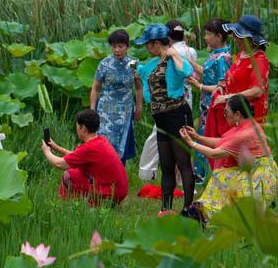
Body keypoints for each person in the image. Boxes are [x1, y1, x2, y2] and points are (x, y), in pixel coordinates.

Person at [180, 95, 278, 221]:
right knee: (222, 176)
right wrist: (198, 137)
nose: (225, 115)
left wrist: (191, 144)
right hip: (258, 171)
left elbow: (214, 153)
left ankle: (204, 214)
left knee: (233, 204)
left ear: (237, 114)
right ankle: (202, 211)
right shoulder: (248, 124)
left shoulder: (244, 134)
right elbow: (222, 142)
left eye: (226, 112)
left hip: (261, 177)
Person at [135, 24, 194, 216]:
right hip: (161, 120)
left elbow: (186, 72)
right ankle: (165, 209)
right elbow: (146, 83)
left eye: (147, 45)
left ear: (155, 44)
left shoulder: (173, 59)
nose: (146, 48)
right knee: (167, 165)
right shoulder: (152, 63)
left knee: (183, 163)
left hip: (177, 115)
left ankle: (188, 209)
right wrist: (137, 70)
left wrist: (174, 54)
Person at [205, 15, 270, 147]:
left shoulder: (260, 60)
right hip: (234, 112)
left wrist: (228, 97)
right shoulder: (241, 55)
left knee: (243, 152)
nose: (234, 39)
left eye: (238, 36)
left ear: (250, 40)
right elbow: (233, 77)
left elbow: (257, 91)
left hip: (248, 114)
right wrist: (221, 86)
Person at [40, 109, 128, 206]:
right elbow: (76, 157)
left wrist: (46, 151)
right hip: (120, 191)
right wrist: (56, 147)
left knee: (69, 175)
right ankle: (88, 203)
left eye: (77, 126)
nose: (76, 129)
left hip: (111, 194)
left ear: (83, 128)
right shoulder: (101, 140)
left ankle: (66, 206)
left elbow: (59, 164)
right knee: (79, 171)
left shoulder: (89, 148)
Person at [186, 18, 232, 179]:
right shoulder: (215, 54)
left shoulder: (223, 59)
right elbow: (207, 74)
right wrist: (189, 62)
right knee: (203, 133)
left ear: (218, 36)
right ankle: (201, 173)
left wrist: (199, 87)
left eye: (208, 34)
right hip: (206, 104)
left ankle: (203, 174)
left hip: (214, 105)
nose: (205, 38)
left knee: (208, 135)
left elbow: (221, 88)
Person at [89, 29, 143, 163]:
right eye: (114, 46)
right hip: (105, 109)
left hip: (125, 109)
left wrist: (139, 108)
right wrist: (92, 109)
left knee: (122, 143)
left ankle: (119, 176)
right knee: (104, 142)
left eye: (120, 46)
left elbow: (139, 87)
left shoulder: (134, 63)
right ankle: (101, 176)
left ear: (127, 47)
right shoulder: (104, 64)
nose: (117, 50)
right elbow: (95, 88)